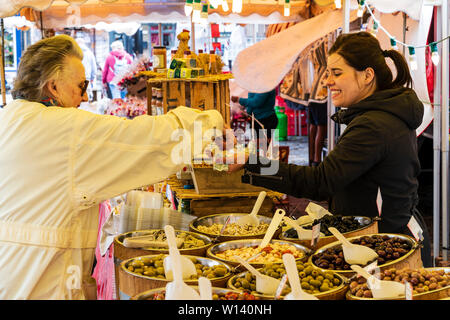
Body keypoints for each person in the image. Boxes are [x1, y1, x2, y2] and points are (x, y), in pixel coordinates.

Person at [0, 35, 228, 299]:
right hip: (38, 285)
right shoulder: (63, 128)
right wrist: (209, 122)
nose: (85, 96)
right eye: (80, 85)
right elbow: (142, 139)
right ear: (53, 87)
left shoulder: (10, 118)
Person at [227, 32, 432, 267]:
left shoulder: (373, 125)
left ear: (367, 76)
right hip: (384, 238)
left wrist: (252, 163)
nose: (326, 81)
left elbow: (320, 181)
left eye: (336, 73)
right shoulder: (381, 114)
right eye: (327, 73)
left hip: (385, 248)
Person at [75, 36, 97, 102]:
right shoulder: (89, 53)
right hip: (86, 79)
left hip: (75, 79)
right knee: (86, 98)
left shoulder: (73, 53)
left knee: (76, 98)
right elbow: (94, 68)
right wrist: (92, 78)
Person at [307, 100, 327, 166]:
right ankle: (317, 160)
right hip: (321, 98)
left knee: (313, 125)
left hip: (311, 99)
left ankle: (311, 159)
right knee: (321, 127)